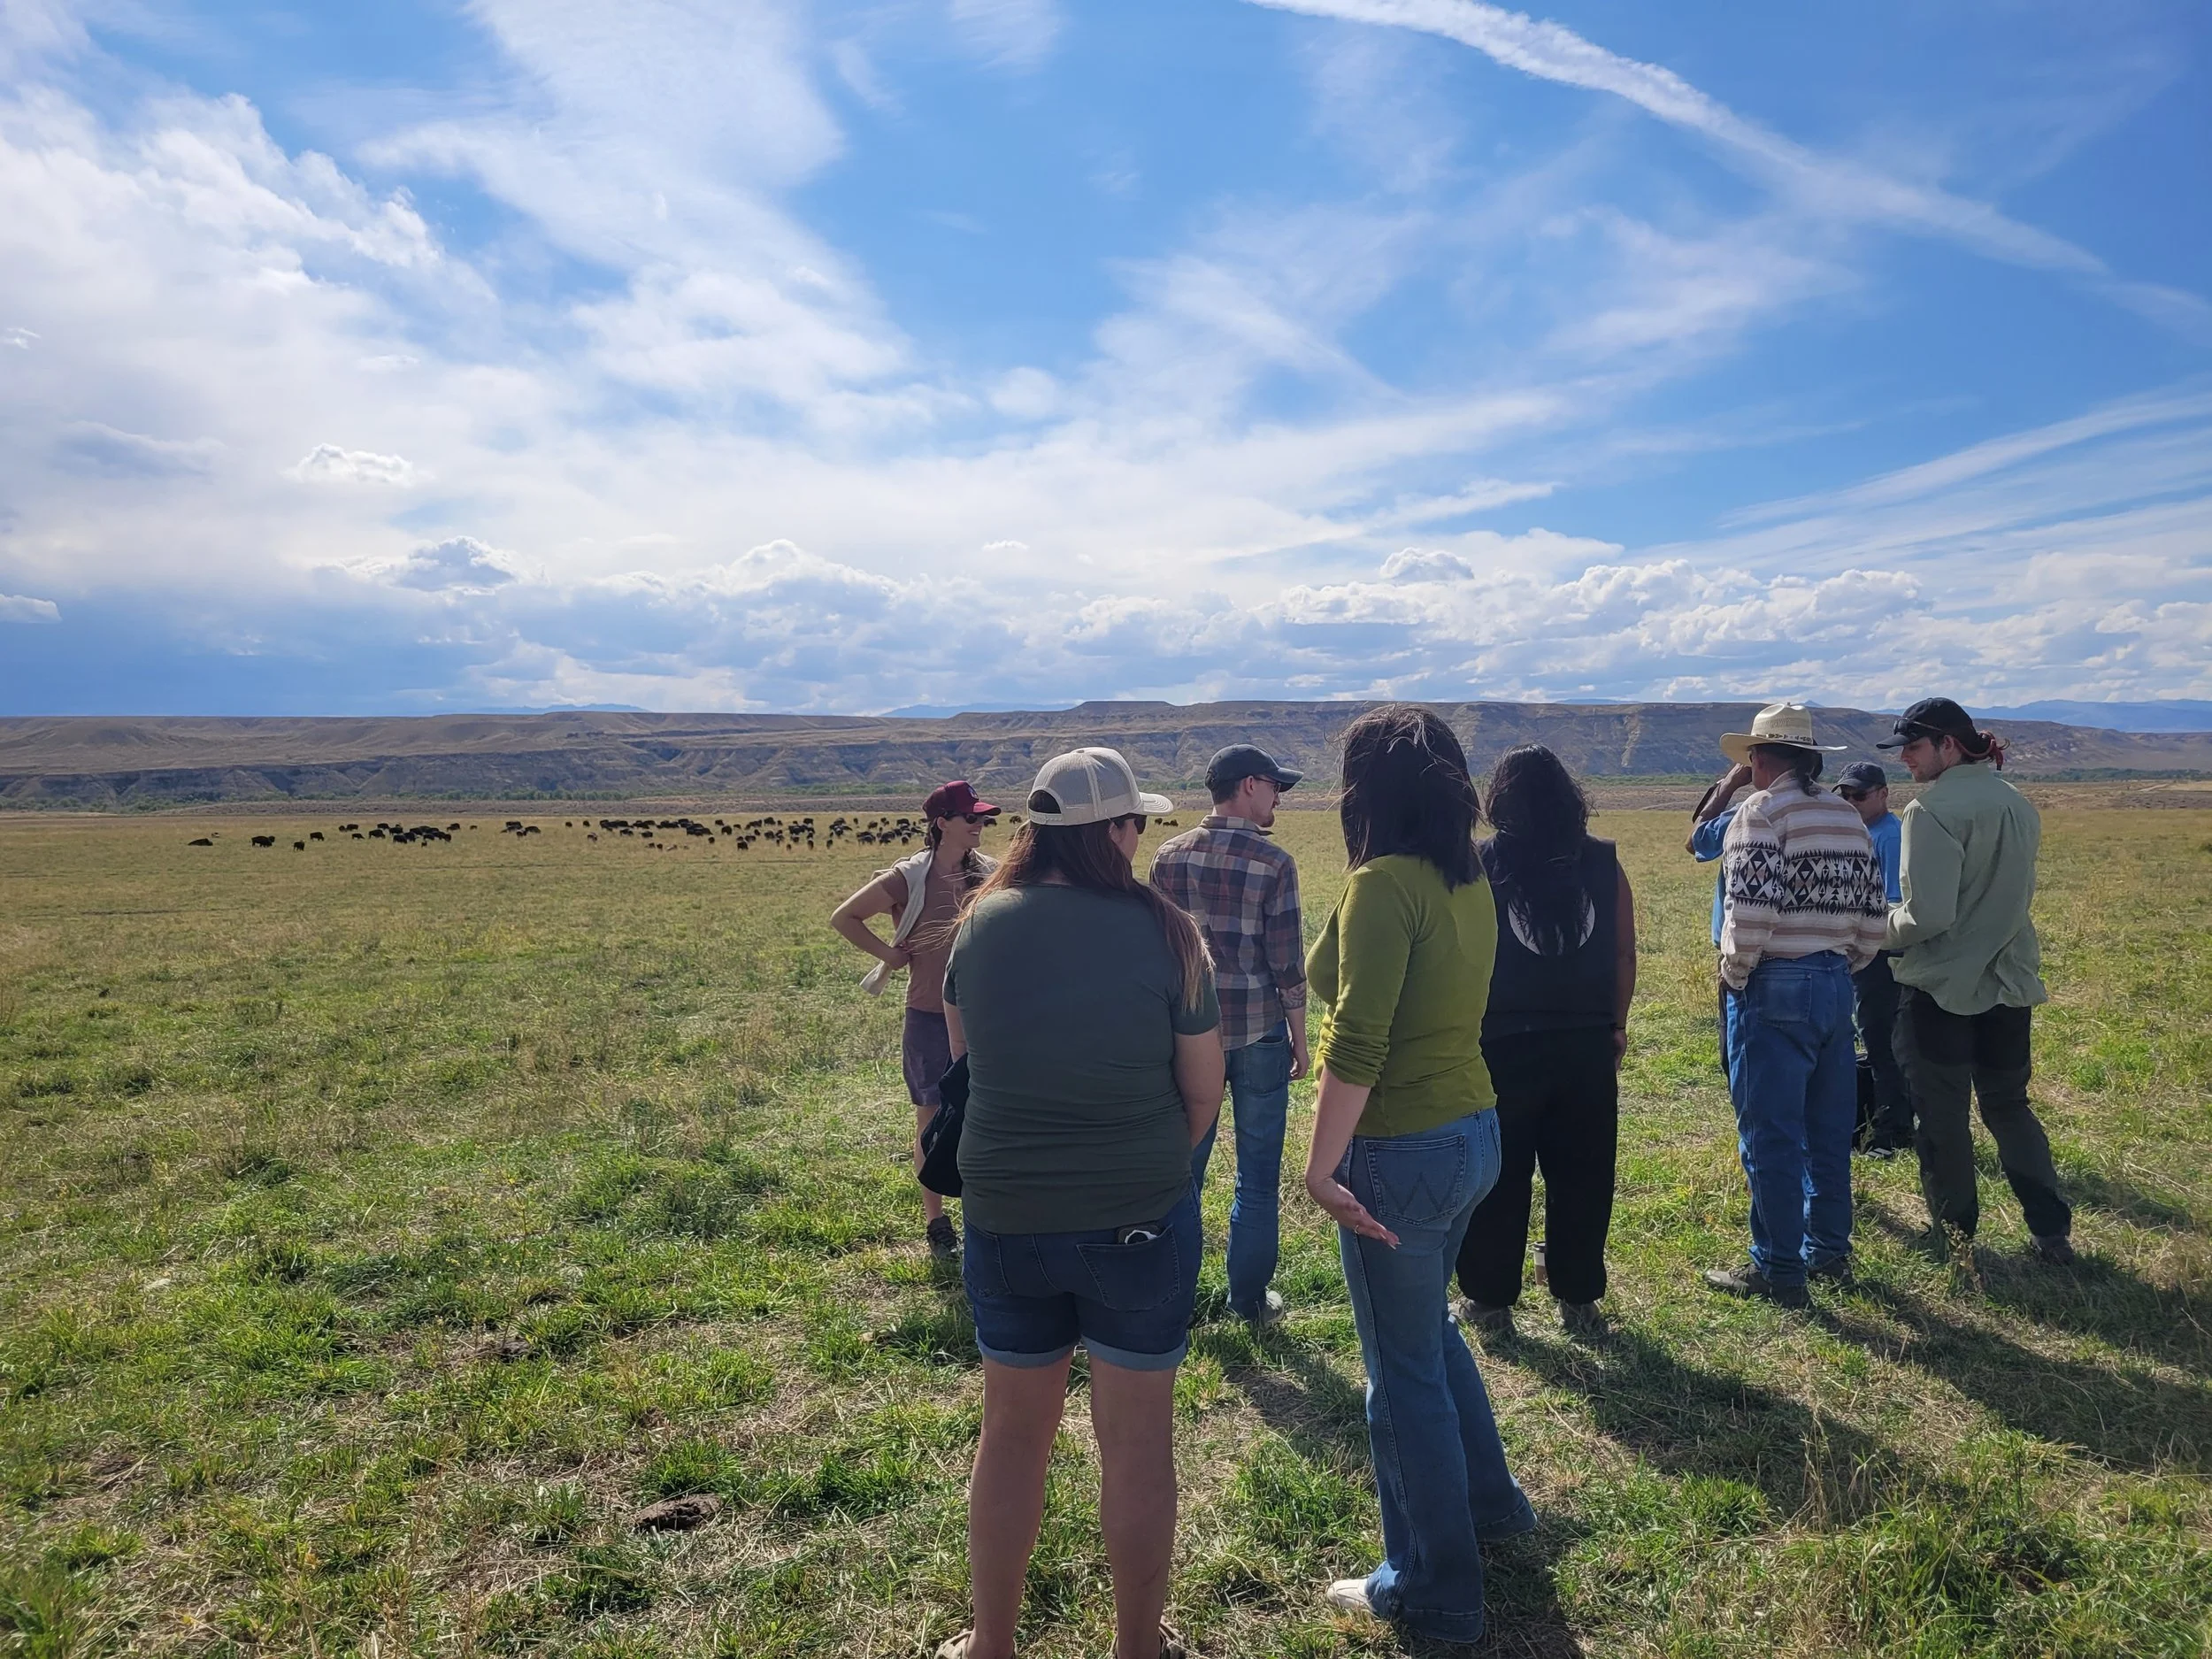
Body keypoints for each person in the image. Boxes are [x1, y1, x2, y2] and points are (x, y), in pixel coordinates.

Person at [934, 747, 1225, 1659]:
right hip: (1139, 1217)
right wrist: (1146, 1167)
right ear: (1119, 831)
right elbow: (1204, 1091)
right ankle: (1138, 1647)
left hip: (1006, 1217)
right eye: (1137, 821)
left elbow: (965, 1066)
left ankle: (991, 1644)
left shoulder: (978, 925)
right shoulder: (1169, 931)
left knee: (1012, 1436)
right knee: (1137, 1445)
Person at [1300, 705, 1534, 1647]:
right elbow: (1332, 972)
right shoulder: (1460, 875)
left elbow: (1352, 1033)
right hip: (1473, 1133)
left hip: (1397, 1148)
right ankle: (1492, 1504)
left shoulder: (1383, 885)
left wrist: (1319, 1167)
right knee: (1429, 1339)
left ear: (1361, 793)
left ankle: (1432, 1590)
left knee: (1397, 1378)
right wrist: (1358, 890)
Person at [1878, 697, 2076, 1267]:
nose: (1906, 762)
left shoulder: (1931, 810)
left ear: (1947, 745)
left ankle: (1957, 1240)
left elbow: (1926, 917)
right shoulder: (2017, 803)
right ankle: (2051, 1232)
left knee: (1942, 1117)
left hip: (1941, 990)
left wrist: (1871, 928)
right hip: (2009, 985)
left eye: (1913, 748)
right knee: (2009, 1107)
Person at [1703, 703, 1888, 1308]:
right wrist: (1844, 962)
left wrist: (1735, 973)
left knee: (1770, 1134)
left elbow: (1748, 909)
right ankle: (1829, 1247)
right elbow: (1871, 910)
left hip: (1774, 982)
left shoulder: (1760, 812)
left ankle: (1779, 1267)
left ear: (1760, 758)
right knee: (1827, 1129)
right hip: (1836, 980)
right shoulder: (1846, 815)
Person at [1454, 745, 1635, 1343]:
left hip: (1500, 1044)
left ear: (1499, 798)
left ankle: (1489, 1299)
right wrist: (1615, 1023)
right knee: (1584, 1174)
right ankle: (1578, 1297)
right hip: (1585, 1044)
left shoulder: (1480, 863)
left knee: (1497, 1179)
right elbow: (1624, 953)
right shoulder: (1603, 862)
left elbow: (1466, 954)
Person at [1149, 742, 1309, 1328]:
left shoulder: (1168, 857)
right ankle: (1248, 1301)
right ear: (1248, 786)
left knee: (1182, 1170)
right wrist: (1301, 1036)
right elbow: (1287, 963)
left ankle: (1172, 1297)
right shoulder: (1275, 864)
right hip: (1260, 1032)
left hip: (1188, 1035)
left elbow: (1158, 955)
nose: (1277, 798)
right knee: (1258, 1177)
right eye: (1274, 786)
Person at [829, 780, 1000, 1260]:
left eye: (984, 818)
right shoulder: (909, 878)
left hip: (982, 1015)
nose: (980, 826)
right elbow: (845, 918)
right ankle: (937, 1221)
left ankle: (984, 1214)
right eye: (971, 818)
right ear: (941, 823)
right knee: (930, 1116)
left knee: (985, 1115)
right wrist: (890, 955)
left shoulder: (989, 875)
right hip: (928, 1014)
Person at [1834, 760, 1913, 1157]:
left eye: (1859, 795)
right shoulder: (1864, 831)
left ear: (1884, 793)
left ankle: (1893, 1132)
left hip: (1882, 952)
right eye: (1845, 796)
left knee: (1882, 1042)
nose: (1851, 802)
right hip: (1864, 949)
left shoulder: (1889, 836)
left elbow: (1894, 904)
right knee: (1873, 1038)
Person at [1687, 763, 1751, 1070]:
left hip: (1743, 950)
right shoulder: (1836, 812)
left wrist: (1729, 784)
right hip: (1819, 958)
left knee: (1738, 1053)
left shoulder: (1745, 814)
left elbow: (1695, 840)